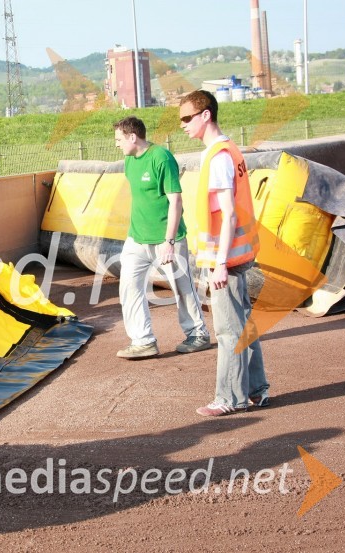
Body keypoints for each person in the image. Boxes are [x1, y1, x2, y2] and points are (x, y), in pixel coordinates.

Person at [179, 89, 269, 417]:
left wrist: (219, 263)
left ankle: (229, 398)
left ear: (206, 115)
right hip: (237, 254)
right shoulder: (229, 149)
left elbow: (228, 214)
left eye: (188, 118)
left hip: (226, 260)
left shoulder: (218, 157)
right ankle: (257, 390)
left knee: (229, 330)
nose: (183, 125)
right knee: (243, 324)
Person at [112, 116, 210, 359]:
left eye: (119, 139)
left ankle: (198, 334)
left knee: (182, 287)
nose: (117, 144)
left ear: (132, 137)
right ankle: (143, 341)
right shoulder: (128, 160)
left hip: (167, 238)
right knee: (129, 287)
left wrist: (169, 242)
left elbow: (175, 200)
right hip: (137, 238)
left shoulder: (161, 157)